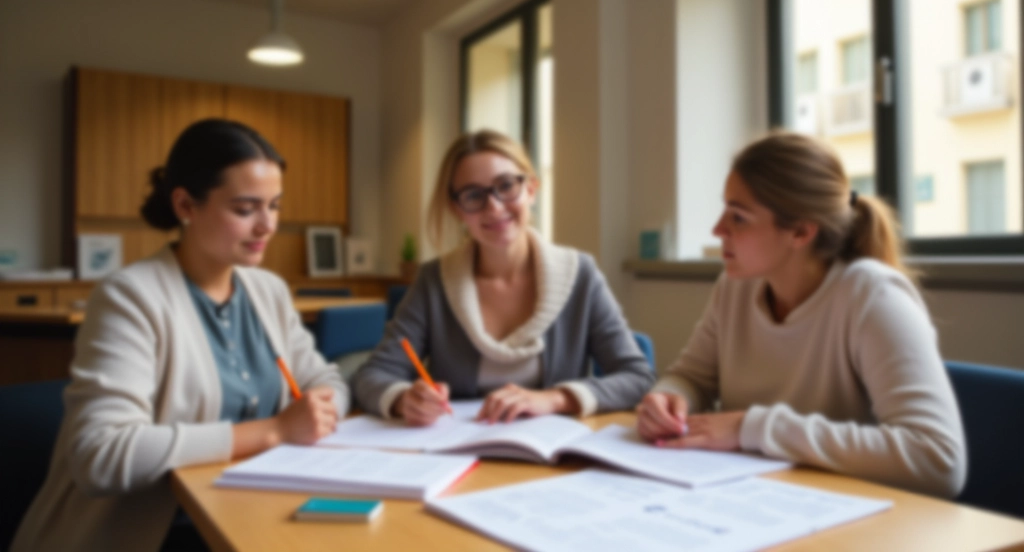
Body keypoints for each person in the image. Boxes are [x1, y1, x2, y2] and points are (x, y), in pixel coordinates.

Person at [12, 119, 347, 552]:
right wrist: (274, 431)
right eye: (245, 209)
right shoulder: (129, 297)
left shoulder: (269, 291)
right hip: (150, 534)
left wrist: (318, 413)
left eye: (275, 206)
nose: (268, 225)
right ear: (186, 205)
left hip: (250, 514)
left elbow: (328, 382)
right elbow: (101, 455)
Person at [636, 132, 966, 498]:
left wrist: (752, 428)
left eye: (738, 217)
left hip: (854, 514)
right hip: (755, 498)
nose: (717, 229)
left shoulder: (873, 296)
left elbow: (938, 460)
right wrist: (668, 399)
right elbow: (692, 377)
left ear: (800, 232)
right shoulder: (736, 287)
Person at [352, 129, 654, 425]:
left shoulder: (580, 274)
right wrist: (405, 399)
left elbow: (638, 377)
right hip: (459, 448)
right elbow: (371, 376)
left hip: (555, 451)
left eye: (506, 185)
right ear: (457, 209)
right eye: (473, 195)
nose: (494, 207)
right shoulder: (434, 281)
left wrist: (554, 399)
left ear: (531, 189)